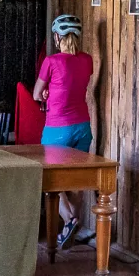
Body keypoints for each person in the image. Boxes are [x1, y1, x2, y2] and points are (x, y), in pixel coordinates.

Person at [33, 14, 97, 248]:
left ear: (58, 36)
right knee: (78, 178)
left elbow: (36, 94)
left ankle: (69, 219)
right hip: (82, 127)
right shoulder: (87, 60)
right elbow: (72, 85)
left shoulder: (51, 61)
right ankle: (72, 222)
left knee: (49, 180)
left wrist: (46, 92)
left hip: (58, 128)